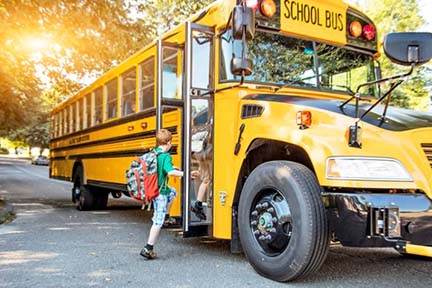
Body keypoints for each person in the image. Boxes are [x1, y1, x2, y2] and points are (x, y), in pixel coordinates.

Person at [140, 129, 184, 260]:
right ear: (169, 142)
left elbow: (163, 168)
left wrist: (173, 167)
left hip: (155, 189)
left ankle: (167, 216)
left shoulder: (155, 153)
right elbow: (169, 172)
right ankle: (148, 247)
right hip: (160, 193)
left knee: (173, 192)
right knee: (157, 222)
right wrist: (184, 174)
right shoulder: (166, 156)